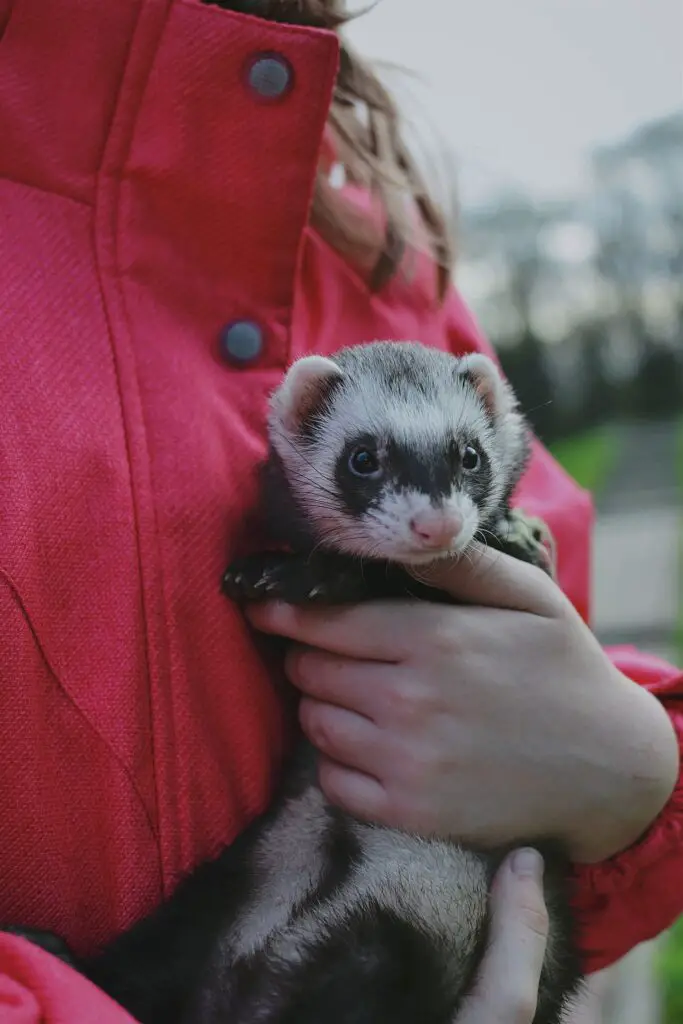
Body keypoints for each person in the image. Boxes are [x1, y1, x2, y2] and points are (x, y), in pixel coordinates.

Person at [0, 0, 681, 1021]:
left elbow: (561, 675)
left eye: (459, 462)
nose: (429, 511)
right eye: (368, 465)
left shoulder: (376, 251)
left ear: (492, 430)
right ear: (300, 425)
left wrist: (636, 773)